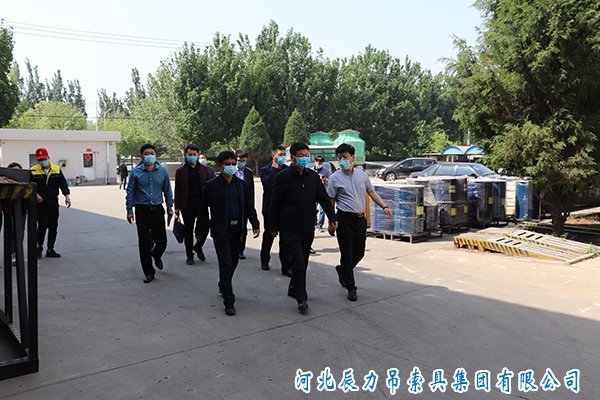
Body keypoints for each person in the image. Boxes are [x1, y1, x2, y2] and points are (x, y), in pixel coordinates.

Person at [270, 142, 337, 314]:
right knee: (298, 262)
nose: (304, 158)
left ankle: (293, 288)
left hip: (307, 226)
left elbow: (324, 199)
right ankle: (302, 298)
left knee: (304, 260)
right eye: (300, 155)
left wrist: (332, 218)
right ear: (292, 157)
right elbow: (275, 204)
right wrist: (273, 226)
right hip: (289, 227)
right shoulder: (282, 177)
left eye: (306, 155)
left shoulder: (313, 177)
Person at [327, 143, 393, 302]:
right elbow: (331, 200)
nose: (341, 160)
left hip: (360, 219)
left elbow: (371, 192)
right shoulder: (334, 178)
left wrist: (384, 206)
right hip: (344, 219)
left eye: (344, 157)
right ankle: (351, 287)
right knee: (346, 253)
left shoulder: (362, 175)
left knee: (359, 252)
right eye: (339, 157)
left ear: (352, 157)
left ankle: (343, 270)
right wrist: (331, 221)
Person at [199, 151, 260, 316]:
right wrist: (201, 230)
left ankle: (223, 283)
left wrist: (255, 223)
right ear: (221, 166)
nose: (232, 166)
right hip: (221, 231)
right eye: (228, 164)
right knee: (225, 263)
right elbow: (203, 210)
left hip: (238, 230)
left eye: (234, 163)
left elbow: (249, 206)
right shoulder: (211, 186)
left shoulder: (241, 185)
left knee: (233, 262)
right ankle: (229, 300)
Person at [126, 144, 173, 283]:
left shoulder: (162, 171)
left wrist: (170, 208)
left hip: (157, 210)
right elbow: (130, 192)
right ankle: (148, 272)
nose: (150, 155)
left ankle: (156, 254)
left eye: (152, 153)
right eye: (146, 153)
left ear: (156, 155)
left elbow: (167, 191)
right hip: (142, 211)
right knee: (144, 243)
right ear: (142, 156)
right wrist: (129, 210)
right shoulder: (136, 173)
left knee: (162, 241)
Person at [30, 147, 71, 258]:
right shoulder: (33, 170)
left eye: (44, 159)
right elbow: (30, 186)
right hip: (40, 203)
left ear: (48, 157)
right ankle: (39, 247)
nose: (42, 161)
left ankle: (50, 249)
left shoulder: (56, 169)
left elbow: (62, 183)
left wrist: (67, 195)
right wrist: (35, 195)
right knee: (43, 225)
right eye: (40, 160)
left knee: (53, 226)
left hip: (53, 202)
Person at [174, 144, 212, 265]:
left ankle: (198, 246)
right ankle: (189, 254)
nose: (192, 156)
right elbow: (178, 189)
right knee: (188, 231)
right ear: (186, 155)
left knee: (205, 228)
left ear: (197, 155)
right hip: (187, 205)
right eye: (189, 154)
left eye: (194, 154)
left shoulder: (205, 170)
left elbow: (210, 187)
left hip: (202, 205)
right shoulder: (181, 171)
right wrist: (177, 207)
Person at [259, 144, 287, 272]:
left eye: (284, 155)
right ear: (273, 155)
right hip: (270, 209)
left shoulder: (287, 169)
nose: (283, 157)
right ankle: (264, 259)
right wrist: (275, 170)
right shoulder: (265, 170)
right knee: (269, 235)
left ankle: (286, 265)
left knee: (285, 238)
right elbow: (269, 184)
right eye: (280, 155)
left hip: (284, 209)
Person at [234, 149, 255, 260]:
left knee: (243, 228)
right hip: (233, 204)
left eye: (243, 161)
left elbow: (251, 192)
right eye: (239, 160)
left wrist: (251, 207)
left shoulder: (249, 173)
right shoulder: (231, 171)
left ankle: (240, 250)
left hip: (244, 205)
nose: (241, 162)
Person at [312, 155, 332, 232]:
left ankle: (319, 225)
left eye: (320, 162)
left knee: (322, 210)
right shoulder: (310, 170)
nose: (319, 163)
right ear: (315, 162)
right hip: (313, 192)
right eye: (318, 162)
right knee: (312, 208)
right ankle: (314, 223)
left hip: (323, 192)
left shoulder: (326, 171)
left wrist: (325, 180)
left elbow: (330, 183)